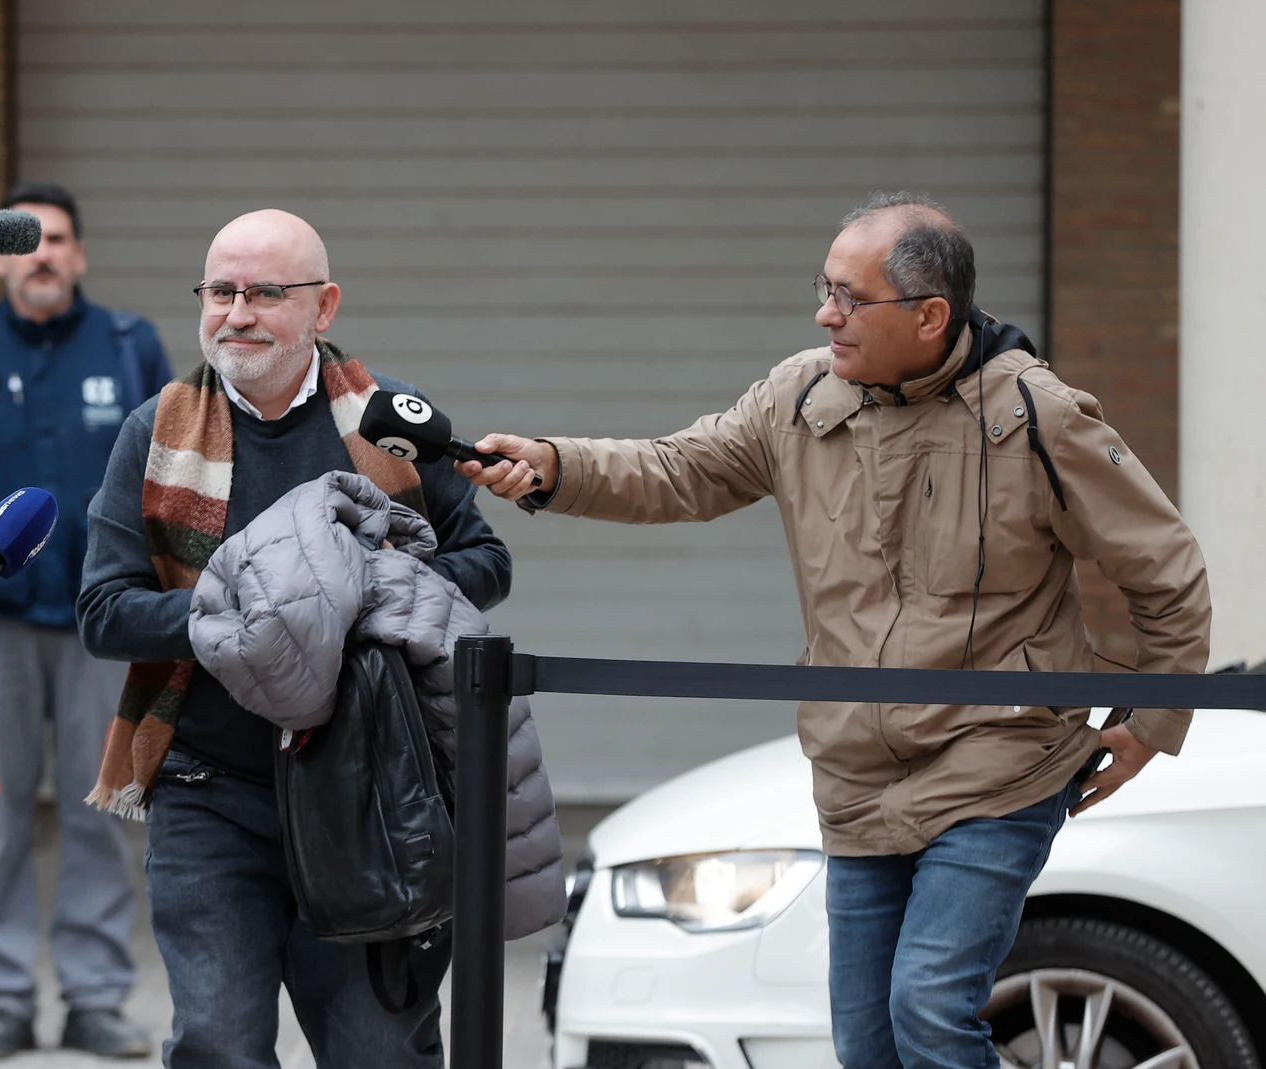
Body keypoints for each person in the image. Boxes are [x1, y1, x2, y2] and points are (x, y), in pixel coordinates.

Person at [463, 192, 1212, 1067]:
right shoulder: (799, 394)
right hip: (853, 776)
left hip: (997, 765)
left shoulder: (1035, 415)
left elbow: (1164, 565)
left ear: (931, 316)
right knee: (866, 1043)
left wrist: (1155, 725)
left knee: (929, 1006)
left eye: (850, 298)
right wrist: (558, 468)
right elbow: (681, 470)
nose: (826, 314)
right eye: (823, 289)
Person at [76, 210, 516, 1067]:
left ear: (324, 307)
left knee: (377, 1049)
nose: (236, 312)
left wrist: (360, 597)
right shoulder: (156, 431)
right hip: (208, 791)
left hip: (371, 790)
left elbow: (486, 562)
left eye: (265, 292)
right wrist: (252, 617)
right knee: (216, 1043)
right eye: (219, 290)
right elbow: (104, 611)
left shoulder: (391, 423)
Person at [0, 181, 168, 1060]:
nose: (41, 254)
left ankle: (95, 997)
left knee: (100, 812)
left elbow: (177, 474)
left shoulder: (128, 349)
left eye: (56, 240)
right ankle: (2, 997)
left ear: (79, 255)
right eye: (25, 241)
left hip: (102, 629)